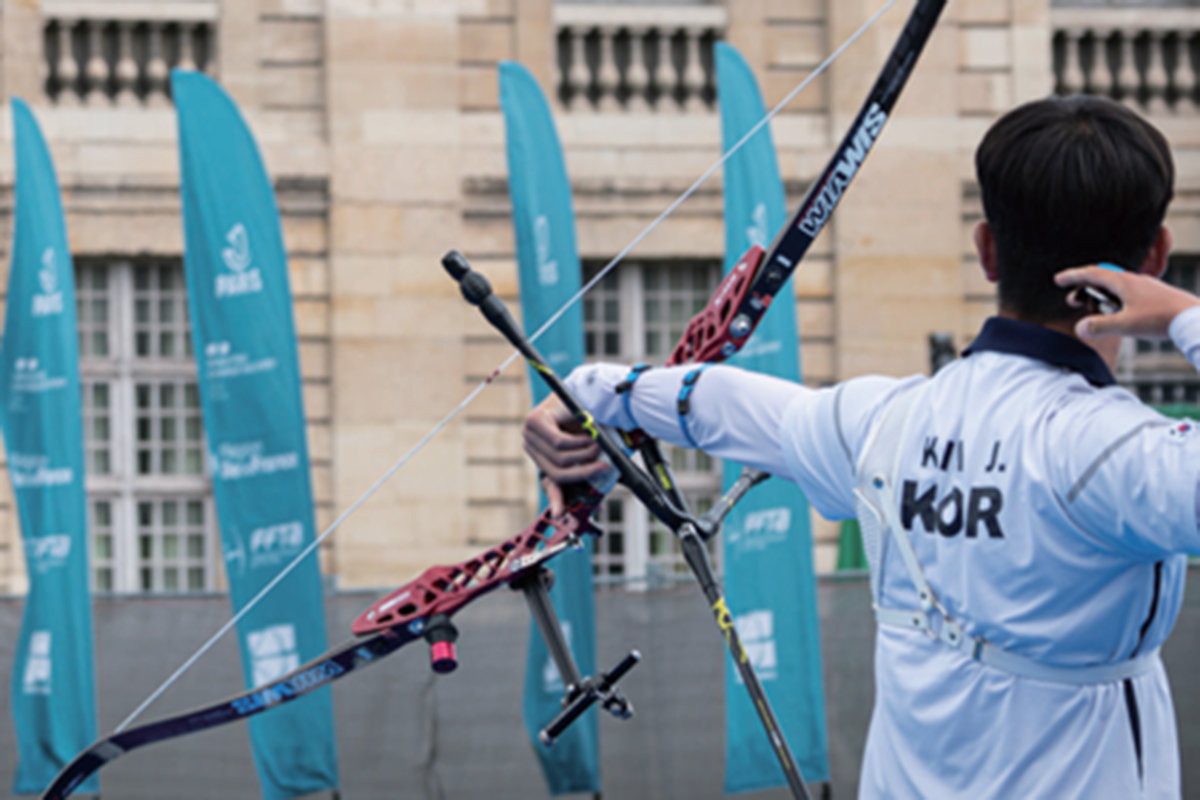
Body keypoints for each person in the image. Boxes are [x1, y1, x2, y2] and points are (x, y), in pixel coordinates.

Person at [522, 94, 1198, 798]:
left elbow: (720, 404)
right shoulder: (1122, 453)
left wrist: (591, 390)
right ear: (1154, 257)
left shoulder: (883, 420)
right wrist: (1185, 315)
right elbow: (724, 401)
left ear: (988, 251)